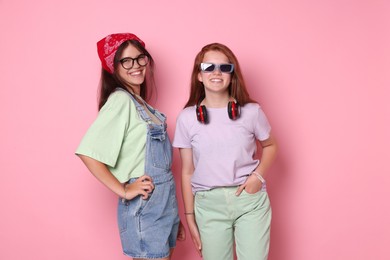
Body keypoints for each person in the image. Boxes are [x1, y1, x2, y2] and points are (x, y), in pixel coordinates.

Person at [75, 33, 184, 260]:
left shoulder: (142, 105)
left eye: (140, 58)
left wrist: (173, 213)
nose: (135, 66)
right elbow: (88, 153)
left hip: (164, 204)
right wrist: (124, 190)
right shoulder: (121, 100)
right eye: (126, 61)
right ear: (113, 68)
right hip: (145, 208)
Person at [173, 43, 277, 260]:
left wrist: (258, 176)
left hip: (249, 201)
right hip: (208, 205)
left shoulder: (252, 112)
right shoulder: (187, 118)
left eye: (224, 67)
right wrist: (190, 216)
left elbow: (271, 145)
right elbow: (187, 171)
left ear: (232, 74)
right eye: (209, 67)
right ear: (199, 75)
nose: (216, 72)